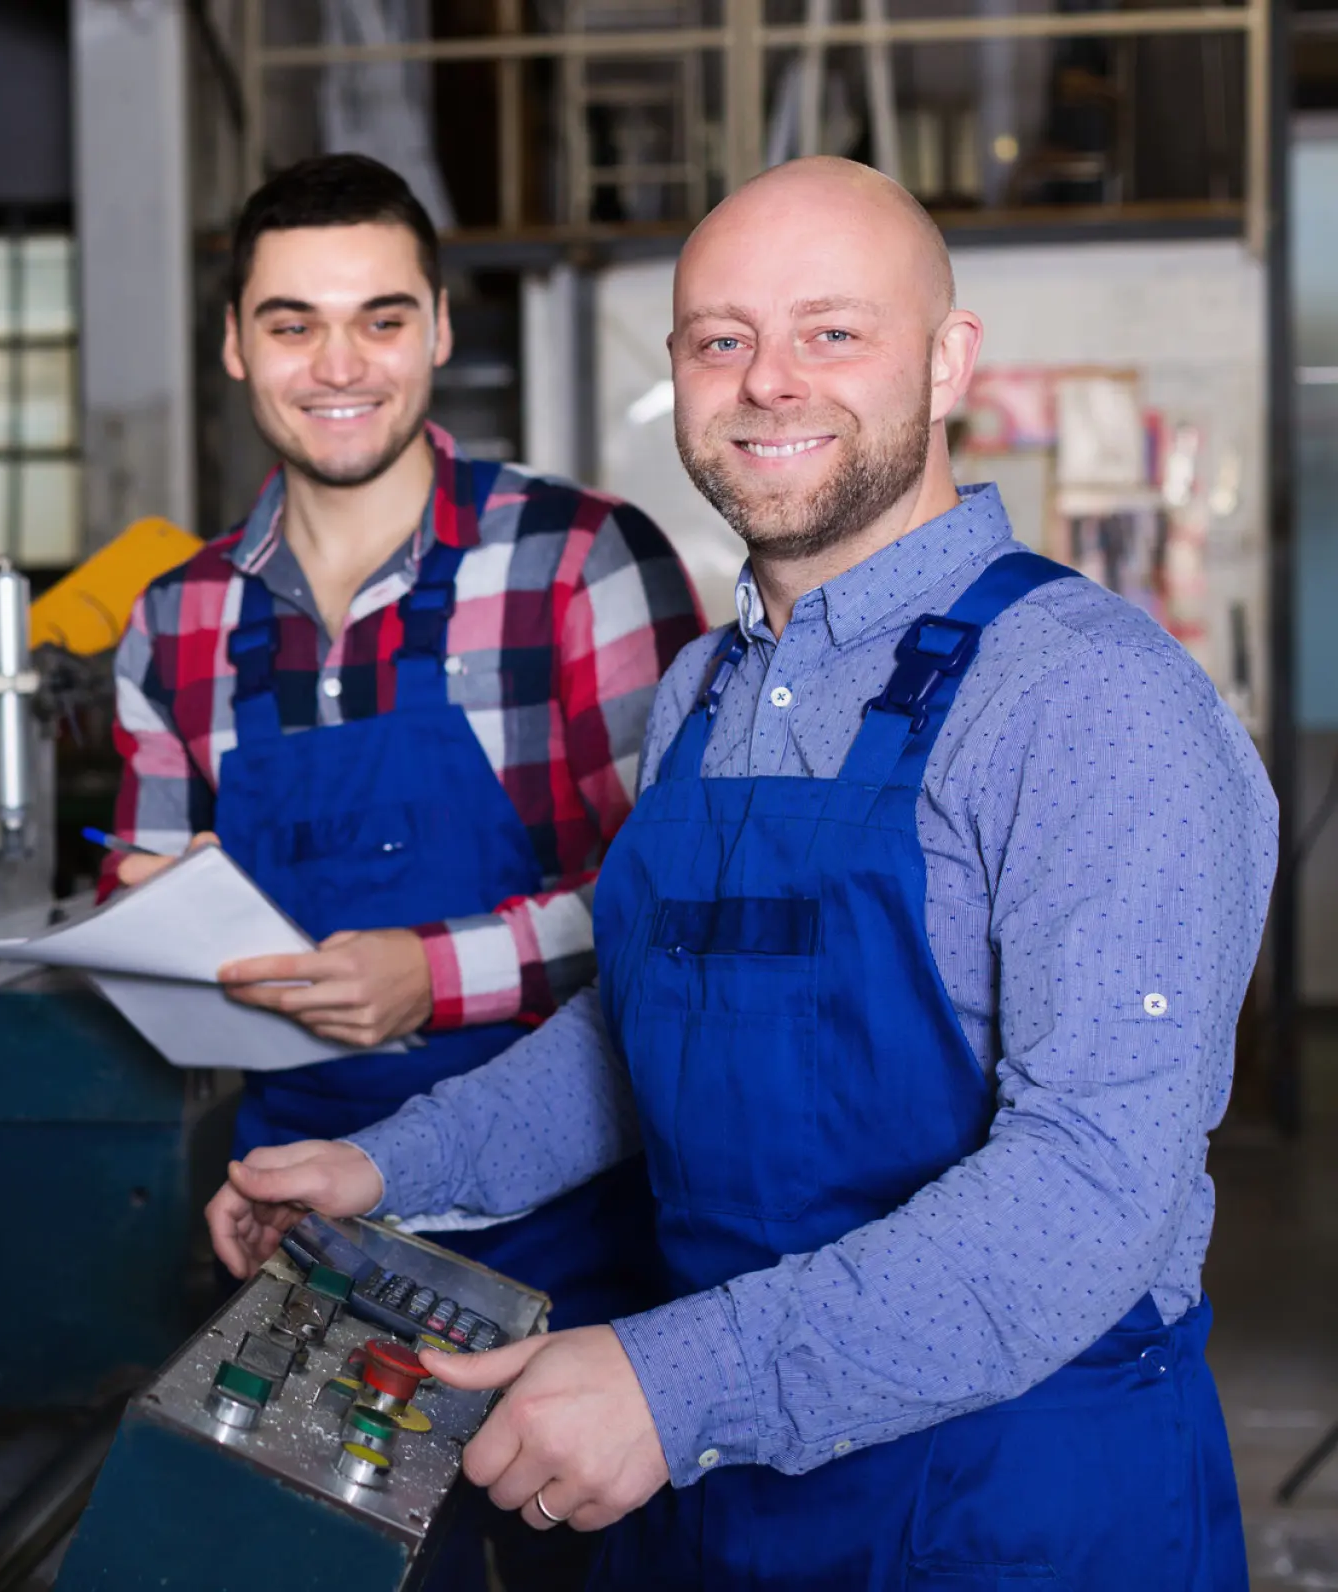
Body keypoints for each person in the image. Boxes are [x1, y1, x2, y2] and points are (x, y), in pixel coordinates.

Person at [204, 156, 1277, 1590]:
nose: (770, 382)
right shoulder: (707, 688)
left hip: (1006, 1499)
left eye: (832, 332)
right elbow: (637, 1028)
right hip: (720, 1495)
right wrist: (387, 1164)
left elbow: (1092, 1186)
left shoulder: (1088, 699)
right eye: (722, 340)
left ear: (949, 359)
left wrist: (669, 1383)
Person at [106, 152, 702, 1585]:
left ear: (439, 328)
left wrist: (426, 978)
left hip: (573, 1239)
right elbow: (154, 896)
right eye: (293, 321)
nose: (337, 364)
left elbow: (673, 917)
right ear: (235, 343)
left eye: (379, 317)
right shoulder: (175, 622)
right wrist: (151, 927)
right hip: (313, 1236)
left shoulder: (578, 565)